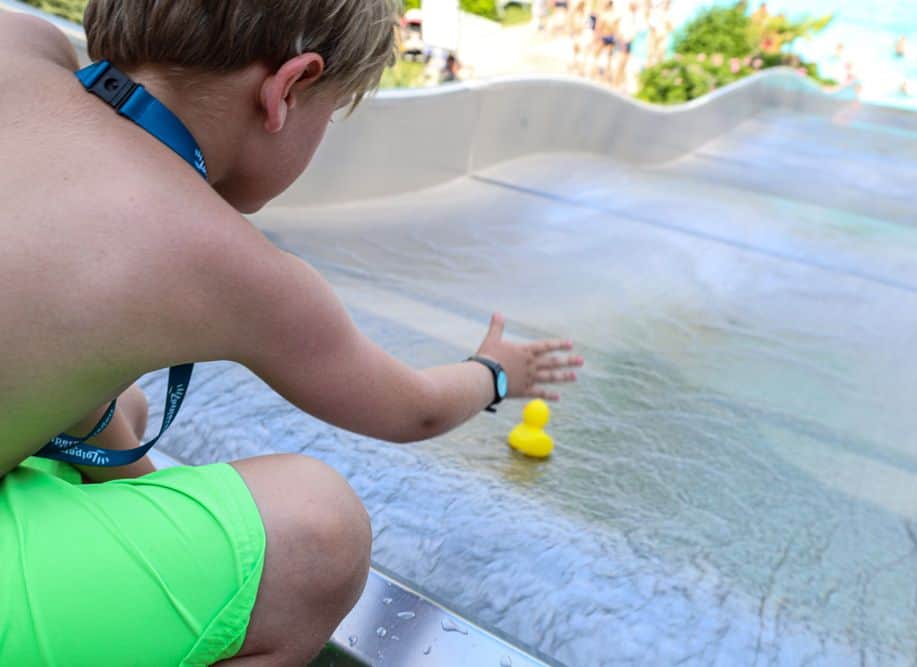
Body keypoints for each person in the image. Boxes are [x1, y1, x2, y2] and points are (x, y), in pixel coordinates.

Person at [0, 3, 583, 665]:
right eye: (328, 115)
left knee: (120, 408)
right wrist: (495, 371)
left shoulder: (16, 41)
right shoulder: (231, 263)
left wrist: (138, 479)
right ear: (289, 89)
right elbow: (413, 407)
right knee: (320, 533)